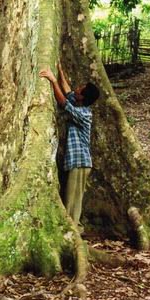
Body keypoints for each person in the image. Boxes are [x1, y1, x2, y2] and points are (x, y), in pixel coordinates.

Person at [39, 63, 100, 230]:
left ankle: (72, 230)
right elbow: (68, 92)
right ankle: (72, 227)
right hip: (76, 162)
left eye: (81, 88)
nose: (77, 88)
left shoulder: (84, 114)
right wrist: (60, 71)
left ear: (82, 97)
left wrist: (52, 80)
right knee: (72, 197)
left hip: (80, 162)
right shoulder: (79, 103)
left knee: (73, 199)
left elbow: (64, 102)